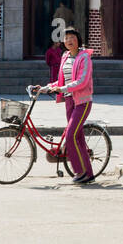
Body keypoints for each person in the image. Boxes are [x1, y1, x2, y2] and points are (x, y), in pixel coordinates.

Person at [40, 27, 94, 184]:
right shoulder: (65, 57)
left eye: (72, 37)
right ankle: (89, 173)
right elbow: (61, 81)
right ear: (63, 42)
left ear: (78, 40)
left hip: (83, 102)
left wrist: (62, 89)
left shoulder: (85, 58)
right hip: (70, 101)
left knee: (70, 135)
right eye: (66, 38)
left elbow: (82, 81)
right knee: (78, 139)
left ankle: (79, 171)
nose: (69, 40)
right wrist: (46, 87)